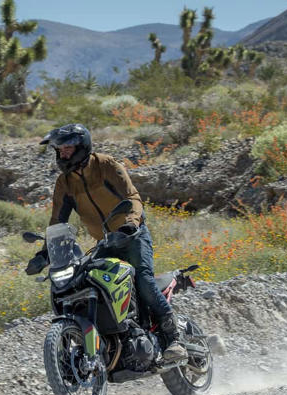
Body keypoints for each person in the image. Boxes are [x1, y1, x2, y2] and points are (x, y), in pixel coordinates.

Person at [25, 123, 187, 361]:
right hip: (105, 243)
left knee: (142, 279)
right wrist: (45, 253)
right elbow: (57, 221)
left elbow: (132, 197)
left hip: (132, 235)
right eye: (59, 150)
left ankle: (175, 339)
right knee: (89, 284)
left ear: (82, 146)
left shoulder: (106, 165)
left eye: (67, 148)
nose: (63, 154)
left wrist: (131, 223)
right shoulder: (65, 183)